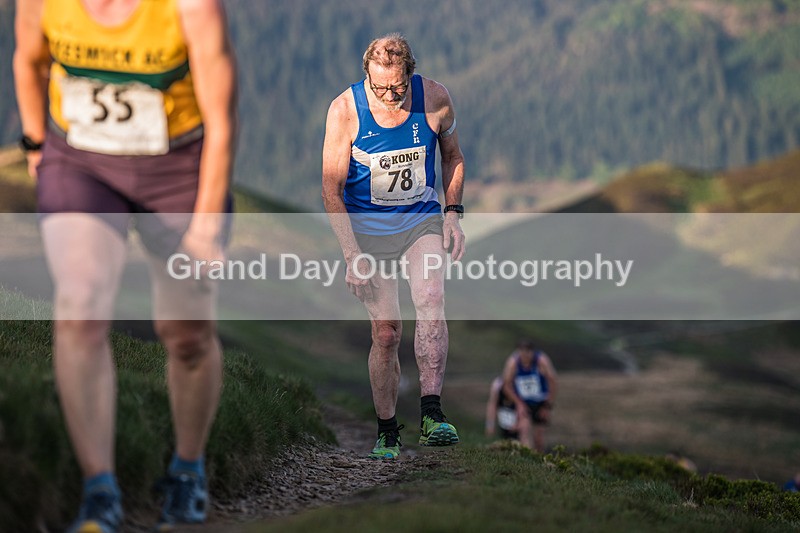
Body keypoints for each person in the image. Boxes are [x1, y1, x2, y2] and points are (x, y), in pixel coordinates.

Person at [13, 0, 237, 531]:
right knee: (80, 304)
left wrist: (205, 227)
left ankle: (188, 469)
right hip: (82, 162)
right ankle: (100, 492)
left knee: (186, 335)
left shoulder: (192, 8)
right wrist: (35, 145)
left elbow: (222, 122)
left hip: (179, 166)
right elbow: (28, 60)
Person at [322, 33, 466, 459]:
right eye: (379, 86)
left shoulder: (435, 98)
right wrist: (352, 257)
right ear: (366, 74)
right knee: (386, 333)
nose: (389, 95)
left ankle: (432, 414)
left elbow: (453, 156)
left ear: (411, 74)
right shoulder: (345, 110)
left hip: (420, 219)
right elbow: (331, 189)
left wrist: (453, 213)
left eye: (398, 86)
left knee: (431, 298)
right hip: (367, 234)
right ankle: (387, 429)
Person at [502, 340, 558, 452]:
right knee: (524, 430)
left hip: (541, 402)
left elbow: (553, 381)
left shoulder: (541, 360)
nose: (525, 356)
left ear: (532, 352)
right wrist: (518, 404)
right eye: (522, 353)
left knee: (539, 437)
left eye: (528, 352)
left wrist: (547, 405)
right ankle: (526, 460)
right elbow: (506, 385)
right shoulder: (513, 362)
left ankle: (540, 461)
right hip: (524, 402)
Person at [485, 376, 520, 441]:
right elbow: (492, 406)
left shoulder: (519, 382)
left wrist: (519, 423)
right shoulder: (497, 385)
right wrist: (490, 426)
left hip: (518, 426)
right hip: (503, 425)